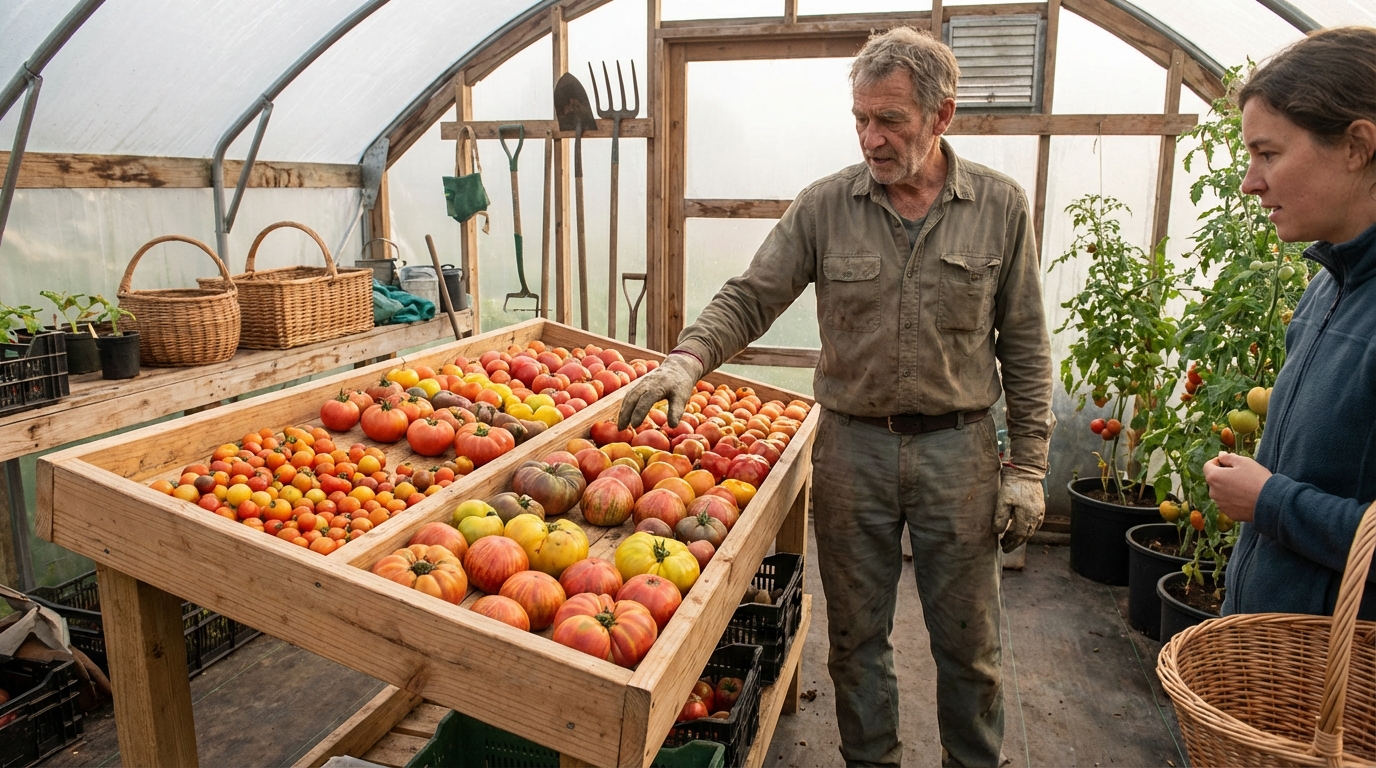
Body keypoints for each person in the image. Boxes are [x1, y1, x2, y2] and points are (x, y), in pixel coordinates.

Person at [617, 27, 1054, 768]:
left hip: (961, 452)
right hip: (855, 448)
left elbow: (1026, 343)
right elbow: (751, 296)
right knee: (855, 641)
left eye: (891, 122)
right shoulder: (825, 207)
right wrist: (687, 360)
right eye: (861, 119)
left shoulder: (999, 207)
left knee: (970, 647)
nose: (871, 139)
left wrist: (1030, 468)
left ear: (941, 116)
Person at [1204, 27, 1376, 620]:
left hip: (1344, 685)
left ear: (1357, 146)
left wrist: (1270, 500)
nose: (1251, 181)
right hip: (1276, 658)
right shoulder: (1328, 286)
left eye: (1268, 153)